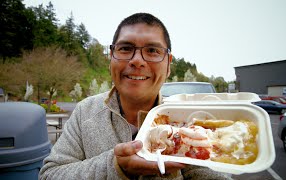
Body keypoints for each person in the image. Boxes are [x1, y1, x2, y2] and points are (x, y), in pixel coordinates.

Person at [39, 12, 232, 180]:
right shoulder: (85, 112)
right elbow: (50, 174)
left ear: (168, 64)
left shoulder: (188, 121)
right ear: (111, 57)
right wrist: (116, 167)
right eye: (125, 48)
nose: (137, 61)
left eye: (152, 51)